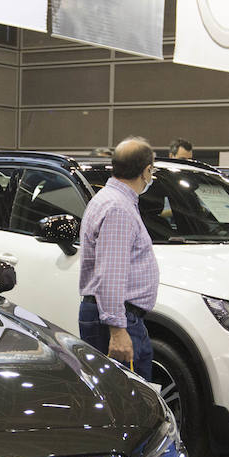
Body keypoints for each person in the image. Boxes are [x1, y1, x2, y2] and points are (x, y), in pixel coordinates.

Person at [78, 137, 159, 379]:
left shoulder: (114, 200)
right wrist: (118, 329)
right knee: (128, 401)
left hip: (119, 318)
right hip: (117, 322)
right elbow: (111, 273)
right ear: (146, 170)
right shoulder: (117, 208)